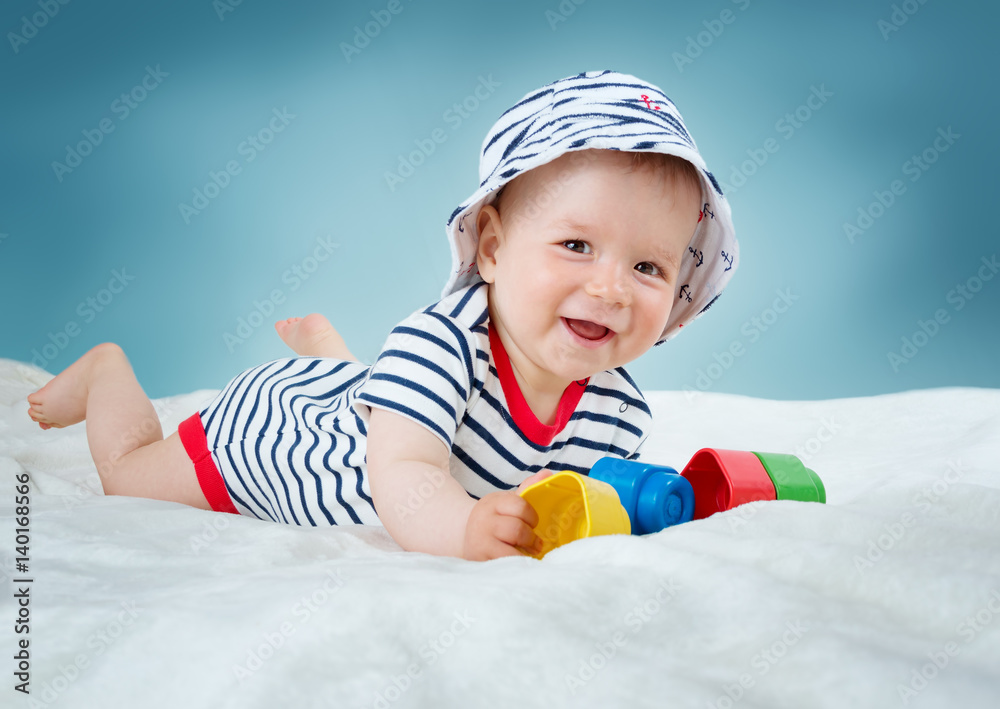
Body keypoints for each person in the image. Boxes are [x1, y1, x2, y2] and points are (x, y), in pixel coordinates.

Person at [26, 70, 739, 561]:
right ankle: (104, 372)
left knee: (376, 393)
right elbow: (403, 475)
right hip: (273, 439)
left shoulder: (618, 409)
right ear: (491, 249)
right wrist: (461, 526)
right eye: (576, 245)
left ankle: (330, 360)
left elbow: (591, 500)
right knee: (127, 475)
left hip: (373, 403)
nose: (613, 288)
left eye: (648, 267)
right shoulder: (442, 346)